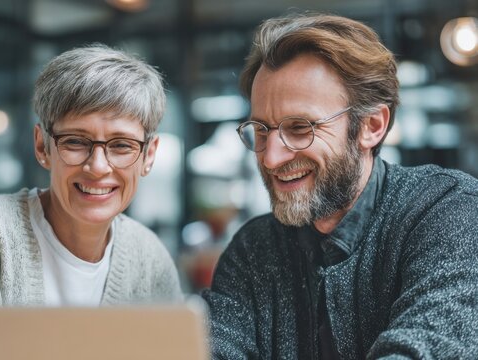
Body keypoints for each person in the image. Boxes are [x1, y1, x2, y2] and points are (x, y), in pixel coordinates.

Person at [202, 13, 478, 359]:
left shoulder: (446, 211)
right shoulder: (253, 250)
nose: (271, 158)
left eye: (300, 128)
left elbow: (427, 347)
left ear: (372, 126)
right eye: (260, 130)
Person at [0, 45, 182, 306]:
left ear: (148, 156)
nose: (98, 167)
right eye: (75, 141)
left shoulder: (150, 259)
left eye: (122, 145)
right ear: (42, 146)